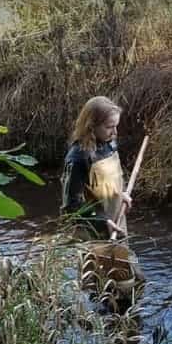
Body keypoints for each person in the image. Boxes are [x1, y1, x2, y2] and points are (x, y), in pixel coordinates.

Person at [61, 96, 131, 238]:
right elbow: (71, 207)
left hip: (117, 224)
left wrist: (120, 193)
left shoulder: (110, 144)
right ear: (91, 126)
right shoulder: (78, 158)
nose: (115, 132)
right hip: (92, 233)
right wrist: (101, 222)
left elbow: (112, 179)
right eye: (109, 127)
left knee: (123, 259)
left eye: (116, 126)